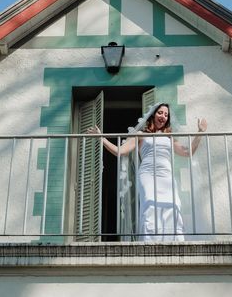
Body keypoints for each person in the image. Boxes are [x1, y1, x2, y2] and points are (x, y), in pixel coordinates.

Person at [89, 103, 207, 241]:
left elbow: (188, 152)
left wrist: (200, 132)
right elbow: (120, 151)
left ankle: (175, 240)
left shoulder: (170, 137)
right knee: (150, 205)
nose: (163, 116)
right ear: (153, 115)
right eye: (160, 113)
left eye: (166, 114)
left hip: (166, 176)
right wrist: (101, 138)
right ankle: (149, 240)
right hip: (148, 175)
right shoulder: (140, 135)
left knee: (174, 204)